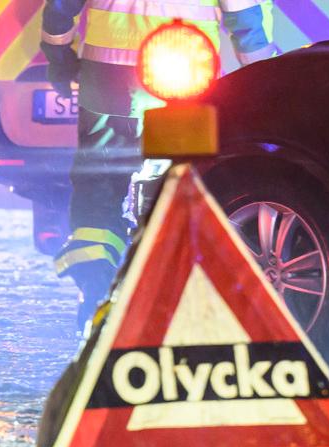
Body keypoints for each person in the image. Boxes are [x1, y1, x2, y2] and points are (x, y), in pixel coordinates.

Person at [41, 0, 274, 327]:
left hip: (109, 81)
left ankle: (96, 298)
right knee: (184, 186)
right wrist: (261, 77)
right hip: (188, 81)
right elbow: (243, 14)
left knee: (100, 188)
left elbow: (61, 8)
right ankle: (180, 300)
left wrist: (60, 60)